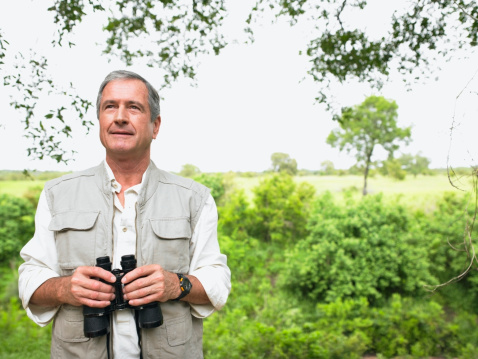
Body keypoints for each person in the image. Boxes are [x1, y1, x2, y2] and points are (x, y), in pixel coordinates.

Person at [18, 70, 231, 359]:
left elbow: (217, 281)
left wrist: (174, 284)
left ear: (155, 126)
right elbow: (30, 277)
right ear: (100, 121)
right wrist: (66, 289)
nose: (119, 117)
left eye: (133, 107)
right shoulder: (57, 194)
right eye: (110, 106)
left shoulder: (194, 198)